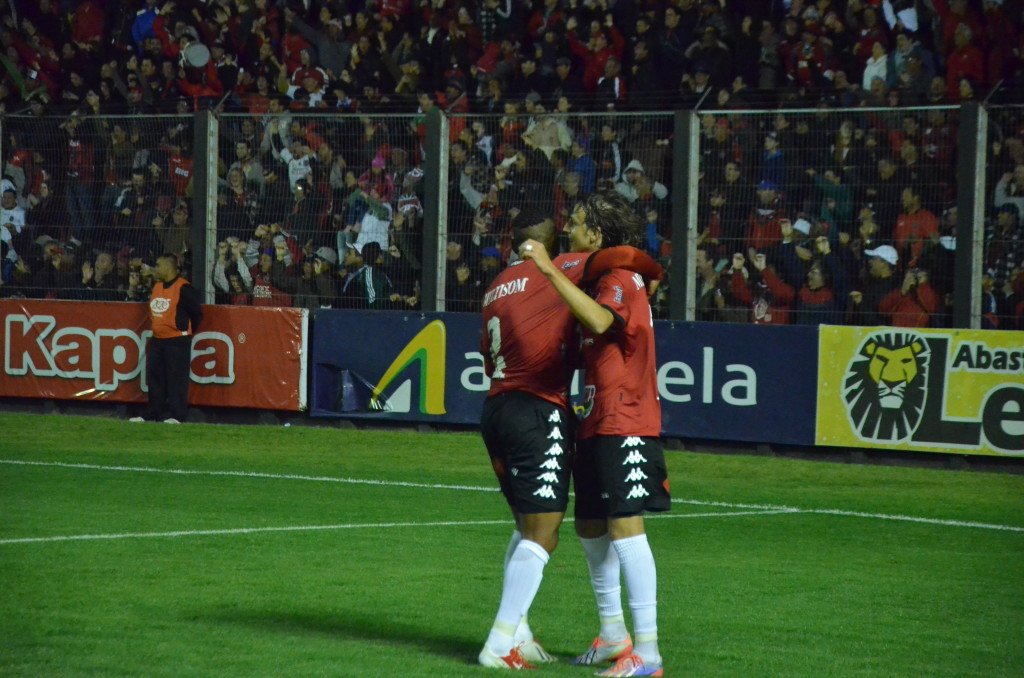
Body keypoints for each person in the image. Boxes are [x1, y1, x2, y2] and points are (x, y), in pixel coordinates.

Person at [478, 204, 662, 671]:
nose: (569, 230)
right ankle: (603, 634)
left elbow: (612, 303)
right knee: (571, 527)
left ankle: (643, 650)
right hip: (565, 412)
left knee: (572, 527)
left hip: (600, 414)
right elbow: (633, 264)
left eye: (577, 222)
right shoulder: (574, 273)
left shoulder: (503, 281)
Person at [130, 254, 202, 424]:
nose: (155, 268)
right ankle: (153, 413)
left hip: (177, 342)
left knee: (176, 380)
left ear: (169, 267)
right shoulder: (157, 286)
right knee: (155, 379)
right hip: (158, 340)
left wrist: (185, 332)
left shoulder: (184, 288)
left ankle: (177, 416)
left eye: (158, 265)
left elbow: (197, 314)